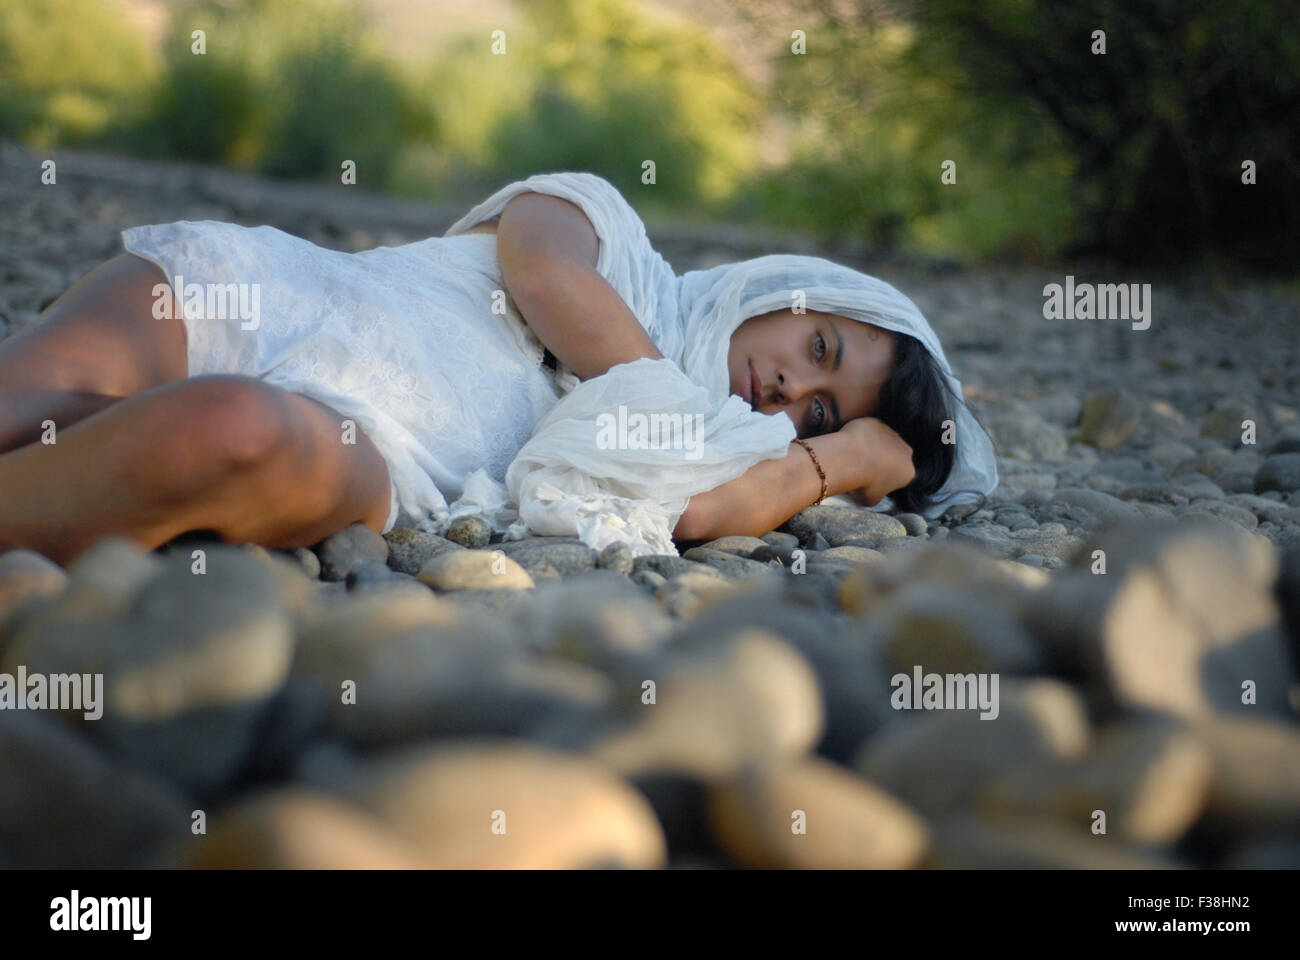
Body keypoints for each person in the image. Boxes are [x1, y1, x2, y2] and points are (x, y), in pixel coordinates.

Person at [0, 172, 997, 564]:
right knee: (26, 408)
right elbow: (542, 274)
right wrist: (694, 430)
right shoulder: (609, 224)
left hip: (382, 455)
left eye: (819, 412)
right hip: (260, 294)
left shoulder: (716, 455)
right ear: (794, 288)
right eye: (815, 351)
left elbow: (694, 520)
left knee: (227, 430)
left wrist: (835, 463)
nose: (789, 392)